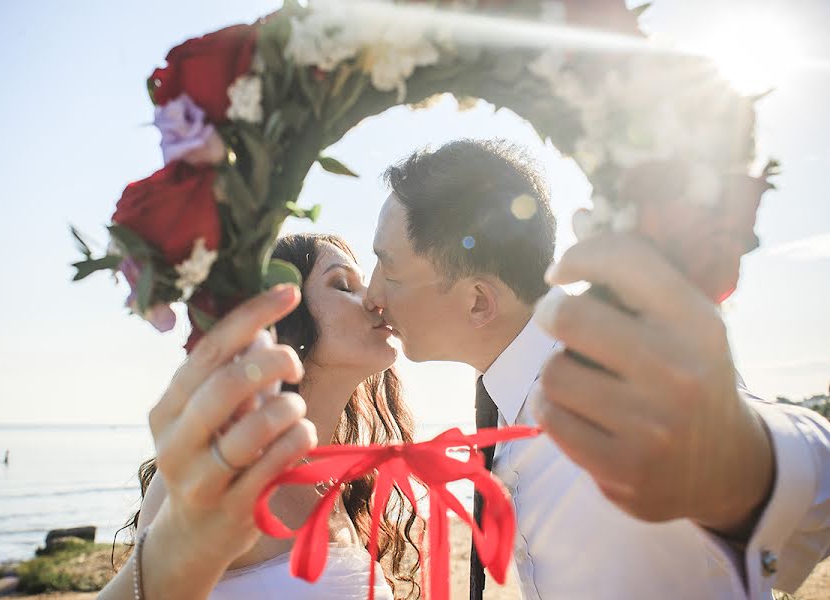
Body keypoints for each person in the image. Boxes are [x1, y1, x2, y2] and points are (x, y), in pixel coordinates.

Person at [363, 138, 830, 599]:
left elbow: (817, 485)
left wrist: (752, 463)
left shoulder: (621, 369)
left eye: (389, 270)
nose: (371, 295)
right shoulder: (507, 410)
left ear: (478, 301)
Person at [100, 233, 423, 600]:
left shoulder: (336, 485)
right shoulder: (219, 473)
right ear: (284, 318)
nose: (373, 299)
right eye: (343, 284)